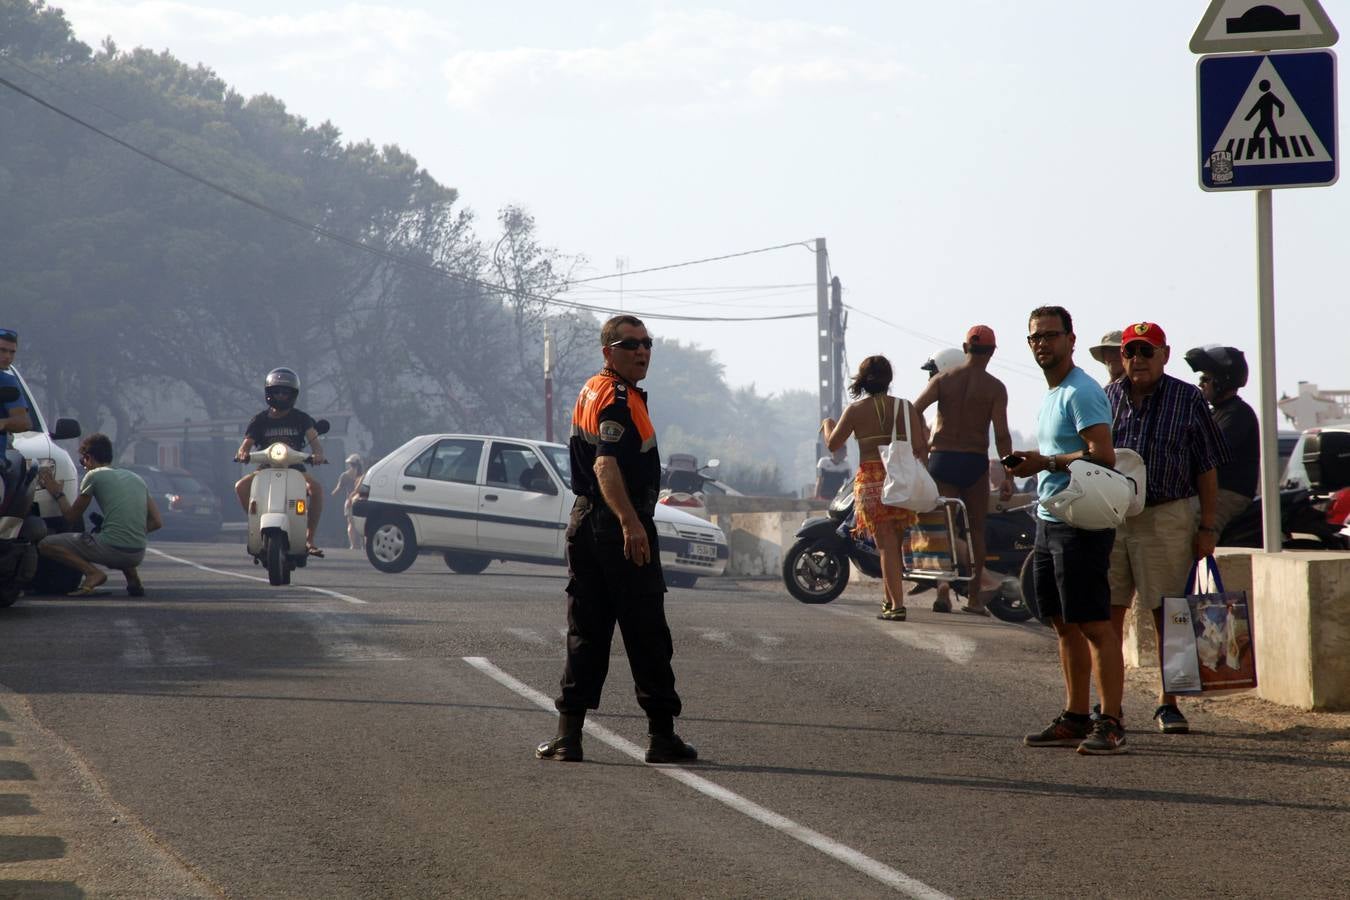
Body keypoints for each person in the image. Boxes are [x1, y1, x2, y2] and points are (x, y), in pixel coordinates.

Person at [536, 315, 697, 765]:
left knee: (586, 632)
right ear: (609, 351)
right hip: (614, 527)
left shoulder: (593, 388)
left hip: (585, 524)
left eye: (648, 344)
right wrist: (630, 523)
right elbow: (606, 466)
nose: (642, 352)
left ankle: (569, 736)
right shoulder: (618, 398)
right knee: (646, 631)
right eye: (631, 345)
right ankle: (662, 737)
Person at [1008, 306, 1126, 755]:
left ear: (1071, 341)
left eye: (1051, 336)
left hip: (1081, 523)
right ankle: (1076, 716)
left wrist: (1047, 462)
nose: (1043, 343)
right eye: (1035, 337)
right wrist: (1036, 462)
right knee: (1063, 625)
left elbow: (1103, 455)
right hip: (1050, 518)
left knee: (1095, 625)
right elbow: (1062, 451)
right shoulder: (1051, 393)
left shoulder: (1082, 391)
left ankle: (1110, 721)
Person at [1106, 323, 1229, 736]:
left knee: (1169, 614)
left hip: (1167, 515)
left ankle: (1168, 702)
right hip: (1116, 517)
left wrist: (1207, 527)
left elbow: (1207, 467)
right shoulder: (1108, 397)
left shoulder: (1188, 399)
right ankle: (1110, 706)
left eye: (1146, 351)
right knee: (1109, 612)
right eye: (1130, 352)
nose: (1137, 359)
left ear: (1164, 354)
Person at [912, 325, 1014, 615]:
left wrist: (922, 445)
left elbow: (914, 409)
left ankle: (943, 587)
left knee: (943, 527)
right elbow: (1003, 437)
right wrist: (1009, 475)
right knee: (976, 529)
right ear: (992, 352)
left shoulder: (944, 379)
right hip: (974, 461)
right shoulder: (996, 388)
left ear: (965, 347)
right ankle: (972, 598)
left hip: (942, 458)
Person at [822, 356, 926, 622]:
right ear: (889, 379)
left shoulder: (855, 411)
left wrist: (826, 424)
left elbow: (833, 445)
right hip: (900, 479)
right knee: (894, 544)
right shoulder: (905, 407)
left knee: (885, 546)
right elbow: (920, 447)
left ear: (863, 380)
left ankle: (897, 605)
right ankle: (889, 600)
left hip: (870, 480)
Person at [36, 433, 162, 597]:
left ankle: (92, 573)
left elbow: (71, 517)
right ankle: (133, 579)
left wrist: (57, 493)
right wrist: (131, 532)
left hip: (113, 550)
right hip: (137, 554)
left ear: (88, 457)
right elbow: (157, 522)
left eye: (82, 461)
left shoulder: (94, 475)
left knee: (45, 544)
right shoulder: (136, 478)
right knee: (111, 532)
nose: (84, 466)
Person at [233, 368, 326, 556]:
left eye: (286, 392)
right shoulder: (260, 419)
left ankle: (309, 539)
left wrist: (318, 455)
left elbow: (314, 441)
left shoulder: (301, 418)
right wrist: (243, 453)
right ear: (269, 393)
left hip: (295, 468)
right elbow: (246, 444)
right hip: (265, 468)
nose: (281, 396)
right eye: (277, 391)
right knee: (241, 487)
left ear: (293, 394)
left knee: (316, 489)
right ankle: (257, 524)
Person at [1185, 345, 1258, 537]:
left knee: (1195, 528)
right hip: (1210, 489)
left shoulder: (1237, 413)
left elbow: (1211, 451)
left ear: (1222, 381)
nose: (1201, 384)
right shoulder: (1213, 413)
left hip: (1228, 492)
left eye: (1205, 379)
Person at [0, 329, 33, 449]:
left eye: (12, 352)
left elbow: (23, 422)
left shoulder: (7, 382)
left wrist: (4, 423)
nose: (7, 356)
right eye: (2, 350)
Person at [333, 454, 365, 550]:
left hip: (350, 501)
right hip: (361, 501)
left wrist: (332, 493)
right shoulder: (363, 476)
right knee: (362, 523)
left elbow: (338, 489)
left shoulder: (345, 475)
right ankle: (363, 545)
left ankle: (353, 545)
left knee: (351, 524)